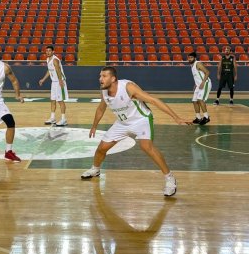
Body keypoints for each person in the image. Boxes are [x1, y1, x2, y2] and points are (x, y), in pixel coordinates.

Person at [80, 66, 187, 196]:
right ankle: (95, 169)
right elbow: (101, 108)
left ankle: (169, 178)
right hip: (122, 122)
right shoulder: (104, 91)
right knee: (102, 148)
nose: (100, 79)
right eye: (100, 76)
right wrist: (94, 126)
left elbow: (153, 100)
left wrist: (176, 118)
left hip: (141, 119)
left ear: (113, 79)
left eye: (104, 76)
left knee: (146, 147)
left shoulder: (128, 87)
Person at [38, 45, 68, 126]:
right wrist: (43, 79)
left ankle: (63, 119)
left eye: (49, 51)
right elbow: (49, 70)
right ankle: (52, 118)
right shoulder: (48, 59)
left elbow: (58, 70)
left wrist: (60, 81)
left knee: (60, 101)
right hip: (54, 82)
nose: (48, 52)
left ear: (53, 52)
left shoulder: (55, 60)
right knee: (52, 100)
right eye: (46, 51)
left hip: (59, 82)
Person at [188, 51, 211, 125]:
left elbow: (207, 72)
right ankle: (198, 118)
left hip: (205, 83)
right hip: (198, 85)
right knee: (194, 101)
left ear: (195, 58)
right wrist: (196, 84)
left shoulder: (198, 63)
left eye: (191, 57)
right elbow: (197, 75)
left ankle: (206, 117)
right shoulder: (192, 65)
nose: (189, 59)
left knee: (200, 100)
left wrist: (203, 82)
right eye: (189, 58)